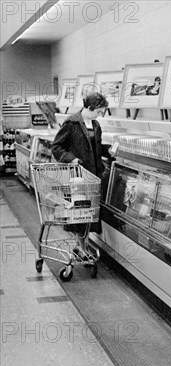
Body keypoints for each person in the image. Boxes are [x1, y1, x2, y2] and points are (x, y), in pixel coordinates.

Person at [51, 92, 110, 254]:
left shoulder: (96, 125)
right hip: (77, 177)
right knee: (79, 213)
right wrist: (71, 159)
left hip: (92, 176)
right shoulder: (72, 123)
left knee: (88, 213)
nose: (100, 115)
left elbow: (96, 148)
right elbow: (56, 147)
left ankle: (82, 246)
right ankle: (81, 246)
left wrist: (109, 150)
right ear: (90, 107)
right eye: (99, 111)